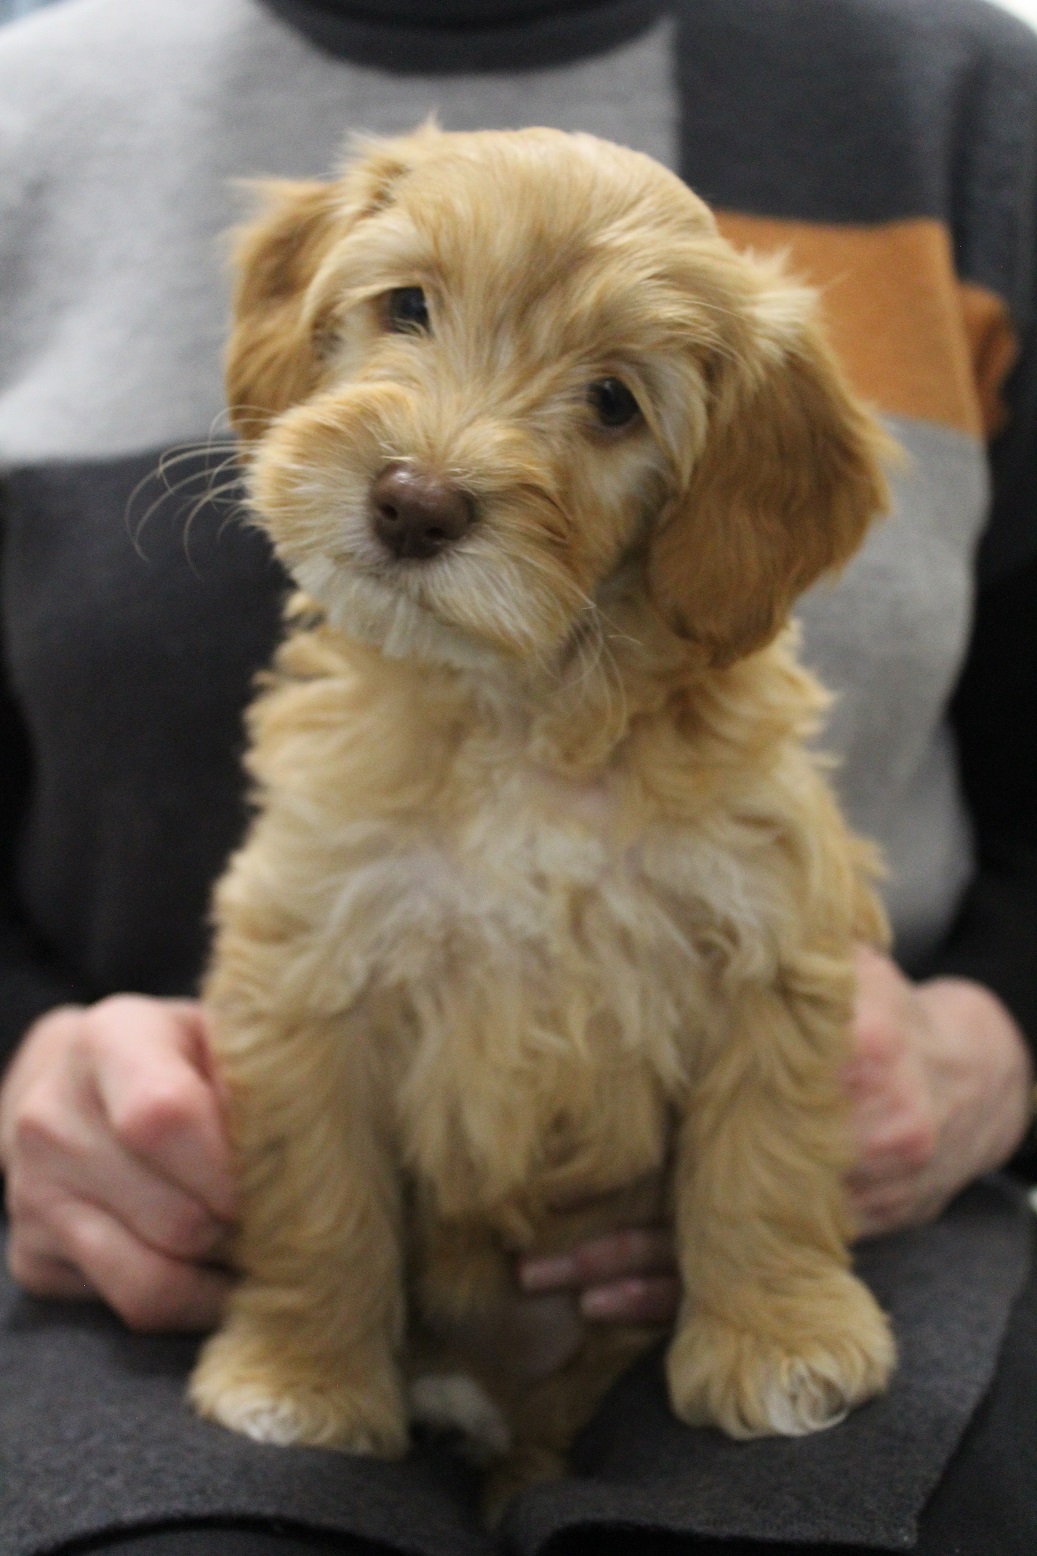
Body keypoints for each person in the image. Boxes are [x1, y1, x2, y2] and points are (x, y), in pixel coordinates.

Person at [0, 0, 1034, 1552]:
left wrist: (999, 1034)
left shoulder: (972, 102)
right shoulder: (30, 101)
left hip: (802, 1236)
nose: (432, 468)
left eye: (611, 407)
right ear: (314, 301)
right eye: (404, 309)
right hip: (179, 1237)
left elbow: (777, 988)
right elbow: (296, 989)